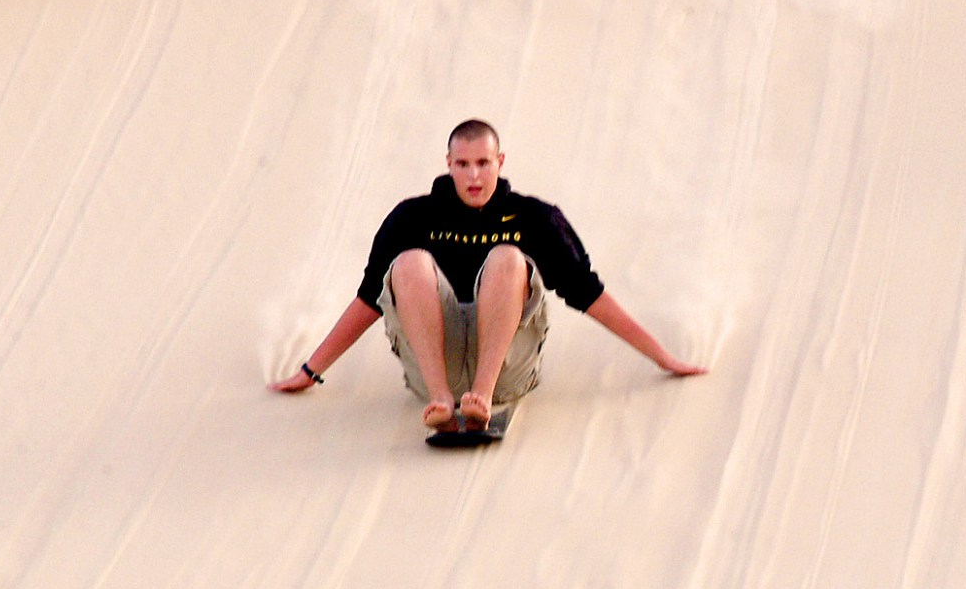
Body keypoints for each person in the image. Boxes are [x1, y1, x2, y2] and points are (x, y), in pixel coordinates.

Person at [271, 120, 707, 430]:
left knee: (506, 258)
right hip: (430, 369)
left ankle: (481, 395)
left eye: (483, 162)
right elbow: (369, 299)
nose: (474, 175)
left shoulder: (535, 217)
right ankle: (443, 398)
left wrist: (661, 357)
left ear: (500, 160)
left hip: (506, 370)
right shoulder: (412, 217)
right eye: (463, 164)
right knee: (407, 262)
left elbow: (585, 291)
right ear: (448, 164)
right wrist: (311, 371)